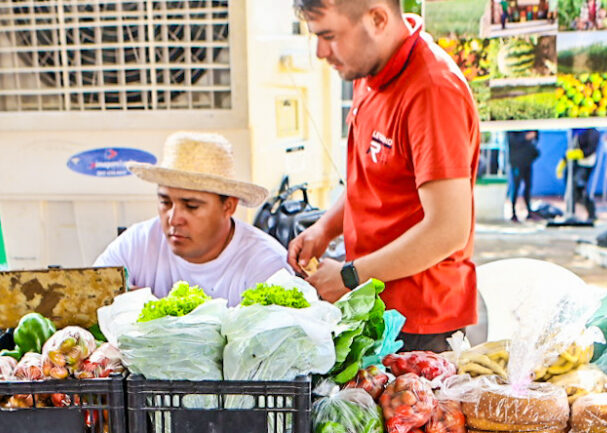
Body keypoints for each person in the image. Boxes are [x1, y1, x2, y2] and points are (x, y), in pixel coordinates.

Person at [289, 0, 480, 351]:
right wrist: (324, 228)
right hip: (372, 306)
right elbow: (373, 179)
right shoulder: (369, 71)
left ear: (377, 18)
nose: (320, 52)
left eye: (329, 35)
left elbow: (449, 229)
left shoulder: (432, 90)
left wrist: (349, 276)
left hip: (421, 324)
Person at [97, 132, 288, 305]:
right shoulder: (135, 244)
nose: (174, 219)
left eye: (191, 206)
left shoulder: (266, 264)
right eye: (165, 202)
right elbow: (87, 299)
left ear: (229, 206)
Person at [563, 126, 600, 222]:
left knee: (580, 188)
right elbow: (571, 147)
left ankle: (591, 213)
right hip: (574, 163)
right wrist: (564, 159)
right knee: (571, 188)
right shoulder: (575, 130)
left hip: (586, 164)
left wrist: (580, 154)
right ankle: (570, 212)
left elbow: (591, 149)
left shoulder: (593, 132)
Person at [504, 130, 538, 222]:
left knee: (528, 186)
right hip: (517, 161)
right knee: (516, 187)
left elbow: (536, 136)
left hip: (527, 160)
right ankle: (513, 212)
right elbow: (512, 141)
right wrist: (525, 137)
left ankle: (528, 212)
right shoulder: (512, 127)